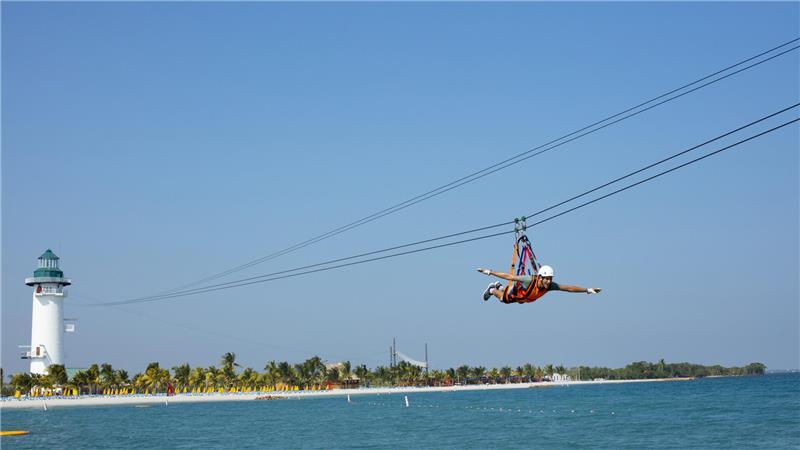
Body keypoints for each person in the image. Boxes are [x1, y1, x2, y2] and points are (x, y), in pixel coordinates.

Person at [477, 265, 600, 304]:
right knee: (504, 299)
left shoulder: (550, 286)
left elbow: (567, 288)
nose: (548, 281)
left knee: (516, 297)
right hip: (518, 293)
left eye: (550, 279)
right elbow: (510, 276)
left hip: (524, 297)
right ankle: (493, 289)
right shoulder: (528, 280)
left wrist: (587, 290)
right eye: (546, 279)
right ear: (540, 277)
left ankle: (500, 286)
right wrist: (490, 272)